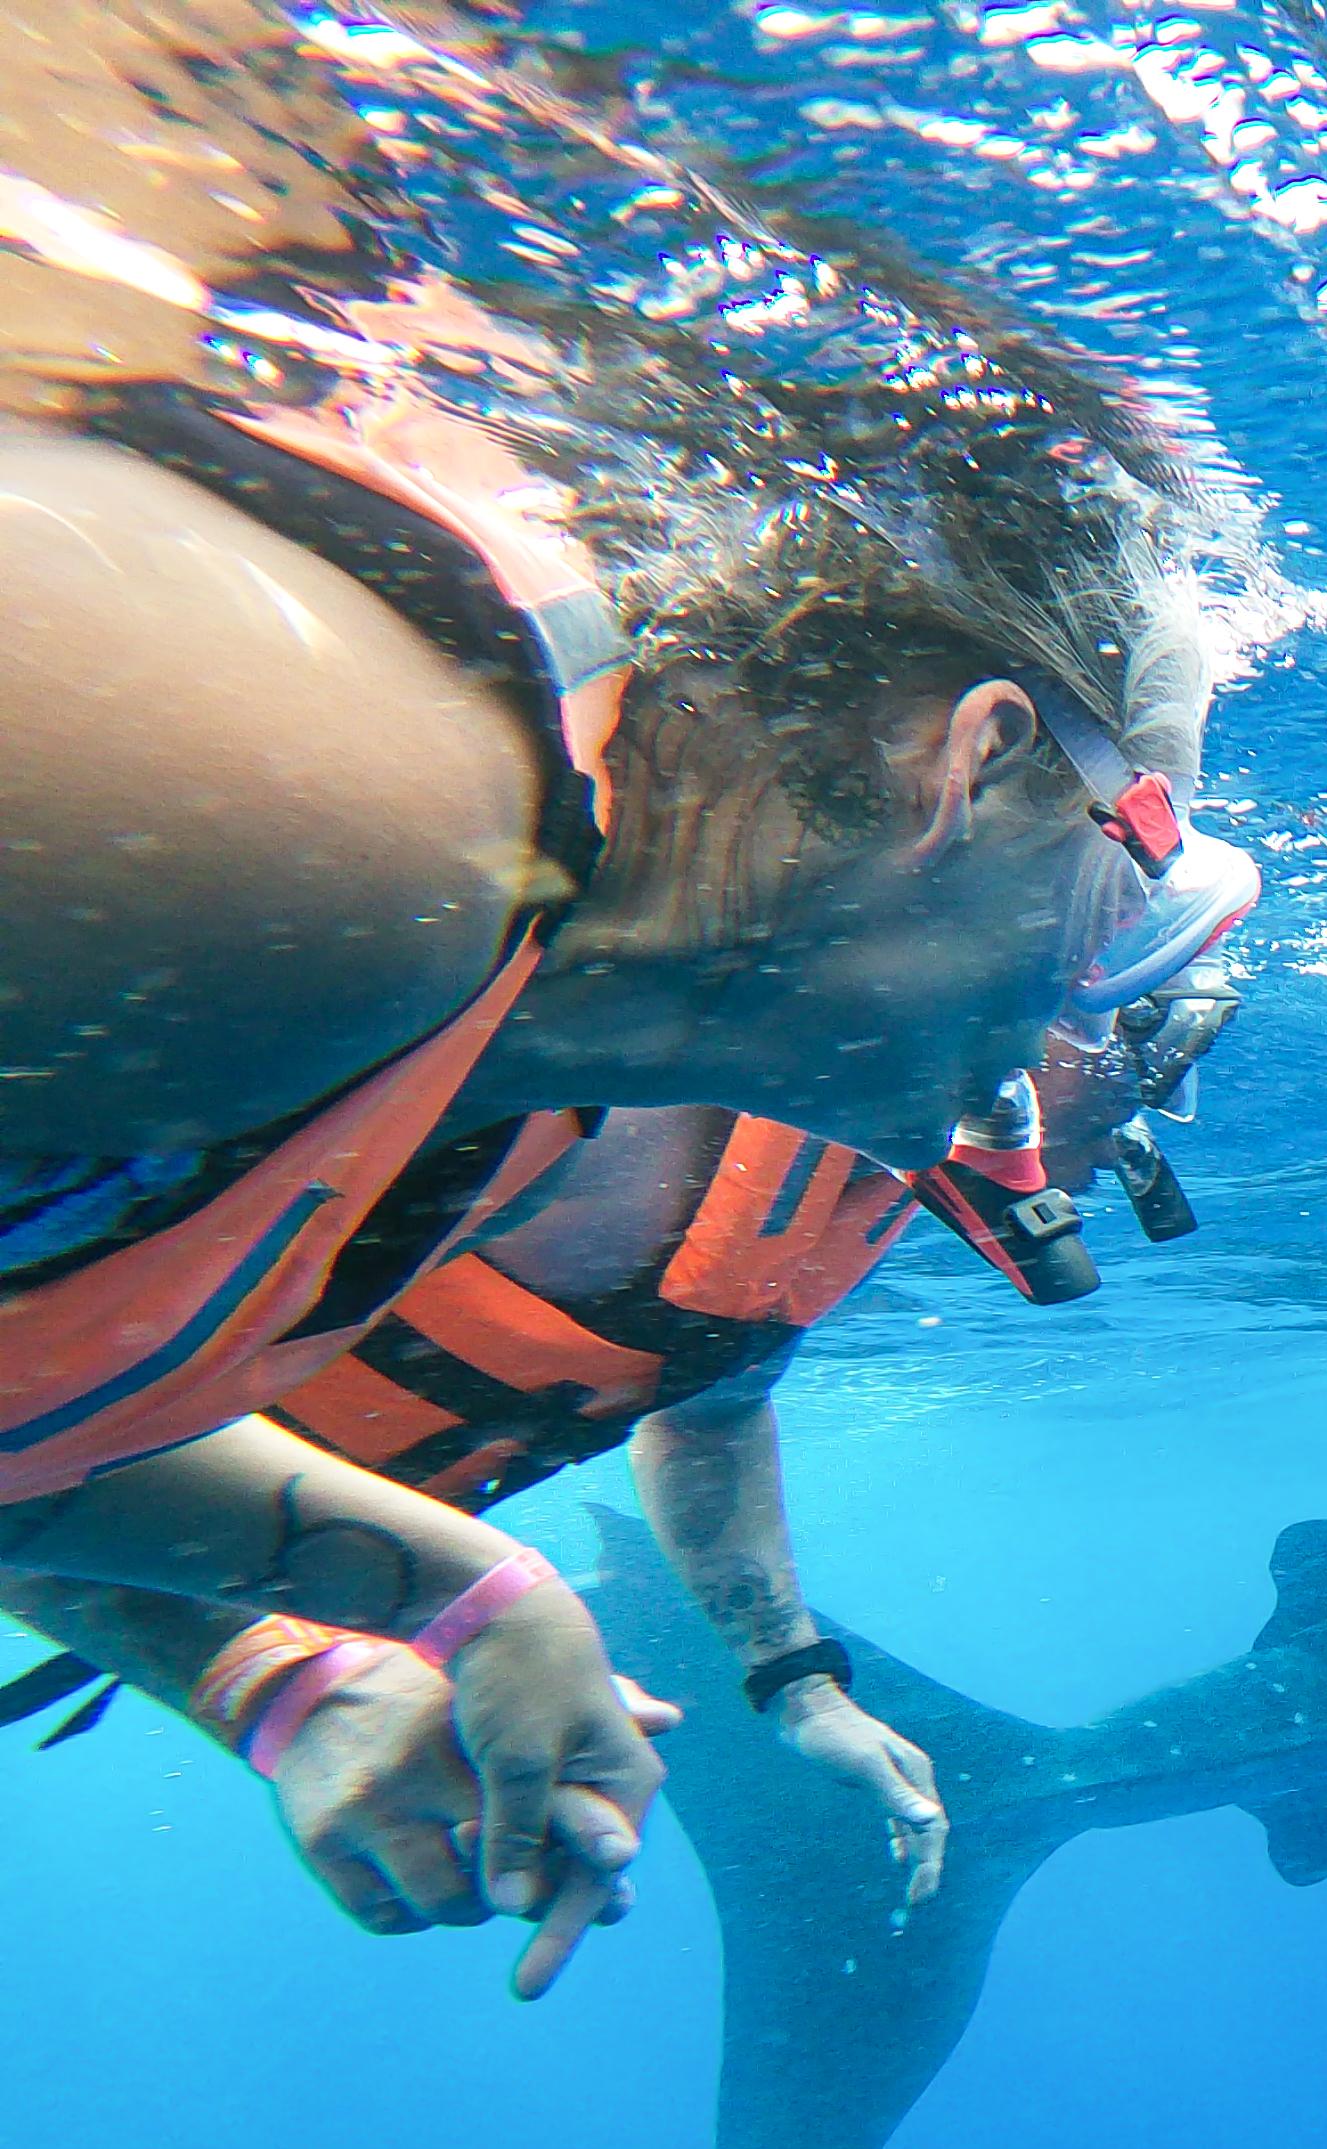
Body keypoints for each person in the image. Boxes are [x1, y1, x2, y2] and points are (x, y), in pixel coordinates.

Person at [0, 0, 1230, 1972]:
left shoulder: (479, 1058)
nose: (1106, 1005)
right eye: (1146, 889)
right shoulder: (335, 826)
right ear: (971, 762)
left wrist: (460, 1603)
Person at [0, 962, 1237, 1962]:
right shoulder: (604, 1129)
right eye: (1147, 1051)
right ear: (1021, 1004)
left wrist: (797, 1683)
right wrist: (280, 1688)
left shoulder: (846, 1170)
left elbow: (708, 1415)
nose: (1155, 1104)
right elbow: (31, 1416)